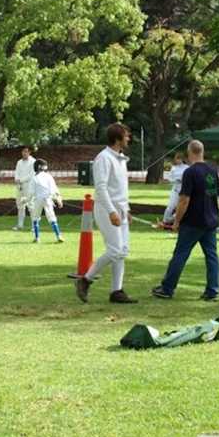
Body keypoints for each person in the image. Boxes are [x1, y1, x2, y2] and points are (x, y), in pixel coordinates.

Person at [75, 123, 137, 304]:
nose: (128, 138)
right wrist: (111, 211)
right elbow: (101, 188)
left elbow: (120, 188)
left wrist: (127, 209)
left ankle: (116, 291)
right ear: (117, 138)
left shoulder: (120, 158)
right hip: (106, 209)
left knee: (122, 251)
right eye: (126, 136)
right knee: (115, 250)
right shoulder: (103, 158)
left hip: (121, 209)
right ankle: (85, 279)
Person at [151, 139, 219, 300]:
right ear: (202, 152)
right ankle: (212, 290)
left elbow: (184, 200)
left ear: (190, 153)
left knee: (180, 254)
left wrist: (176, 221)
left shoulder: (190, 172)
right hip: (210, 220)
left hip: (193, 222)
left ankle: (167, 288)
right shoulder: (212, 170)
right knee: (212, 256)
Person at [28, 159, 63, 243]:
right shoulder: (48, 176)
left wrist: (27, 200)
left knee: (35, 218)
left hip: (38, 200)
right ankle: (58, 236)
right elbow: (54, 189)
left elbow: (31, 192)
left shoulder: (34, 178)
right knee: (52, 218)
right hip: (48, 199)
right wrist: (58, 199)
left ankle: (37, 238)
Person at [12, 146, 36, 231]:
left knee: (31, 206)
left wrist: (21, 180)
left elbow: (31, 175)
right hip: (19, 186)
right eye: (23, 151)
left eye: (26, 151)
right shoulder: (19, 162)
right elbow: (17, 172)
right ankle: (20, 225)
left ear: (29, 152)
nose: (24, 153)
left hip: (28, 186)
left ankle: (34, 226)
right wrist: (17, 180)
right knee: (20, 206)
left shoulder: (33, 162)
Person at [161, 152, 188, 226]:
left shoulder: (186, 167)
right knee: (171, 206)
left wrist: (182, 180)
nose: (178, 161)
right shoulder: (173, 168)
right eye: (177, 159)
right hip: (175, 189)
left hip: (183, 190)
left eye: (179, 159)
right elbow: (170, 178)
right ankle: (165, 220)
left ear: (182, 159)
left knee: (181, 207)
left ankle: (177, 221)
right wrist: (175, 180)